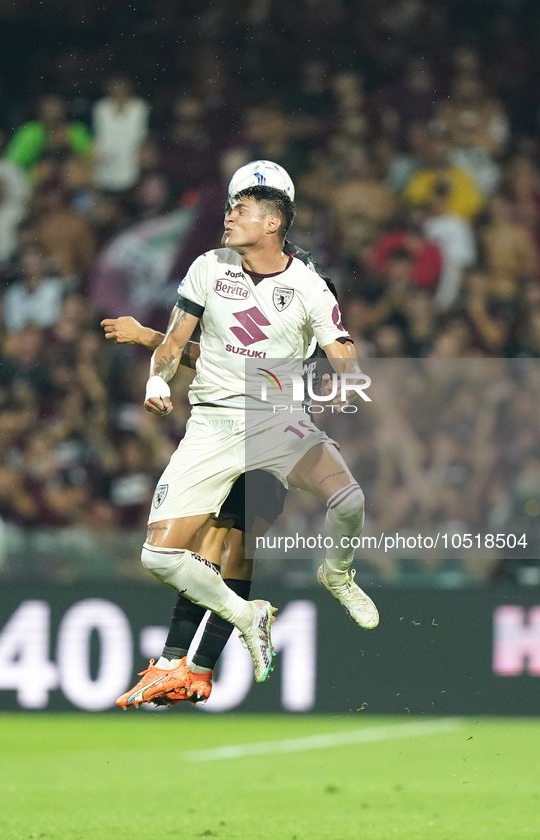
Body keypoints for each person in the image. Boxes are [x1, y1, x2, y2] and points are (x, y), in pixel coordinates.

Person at [109, 184, 378, 707]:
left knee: (335, 505)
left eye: (240, 208)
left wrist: (347, 369)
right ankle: (235, 626)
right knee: (163, 557)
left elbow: (341, 351)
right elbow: (182, 344)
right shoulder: (208, 267)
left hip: (277, 422)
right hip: (212, 424)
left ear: (273, 222)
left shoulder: (308, 285)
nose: (228, 214)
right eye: (231, 205)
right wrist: (156, 378)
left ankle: (337, 574)